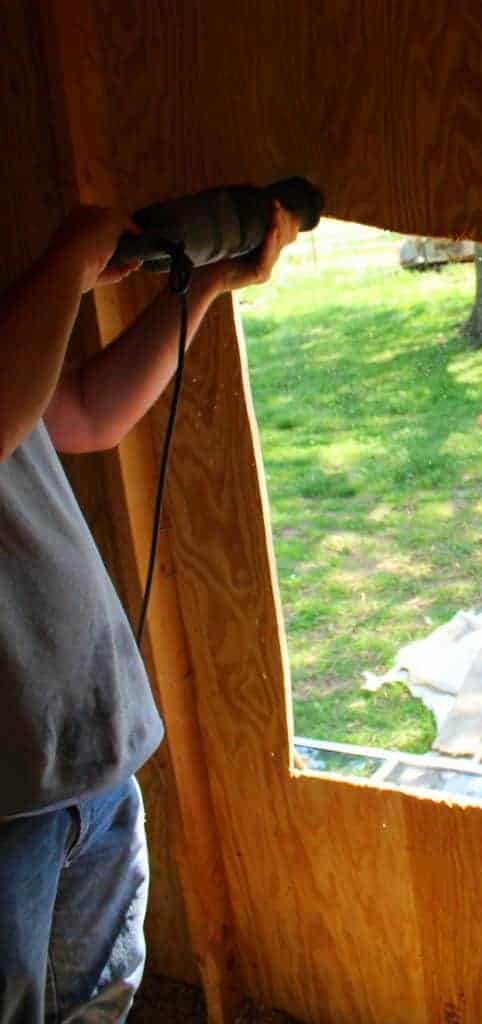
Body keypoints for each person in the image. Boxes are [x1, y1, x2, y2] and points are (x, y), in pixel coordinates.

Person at [0, 200, 298, 1023]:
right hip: (7, 799)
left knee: (94, 1006)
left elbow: (87, 410)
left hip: (86, 758)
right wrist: (66, 266)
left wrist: (196, 288)